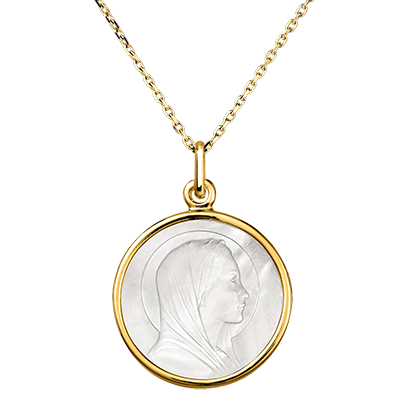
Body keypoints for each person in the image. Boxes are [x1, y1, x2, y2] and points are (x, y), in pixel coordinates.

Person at [148, 239, 250, 378]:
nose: (245, 293)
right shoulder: (163, 363)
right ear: (200, 291)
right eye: (233, 280)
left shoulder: (224, 362)